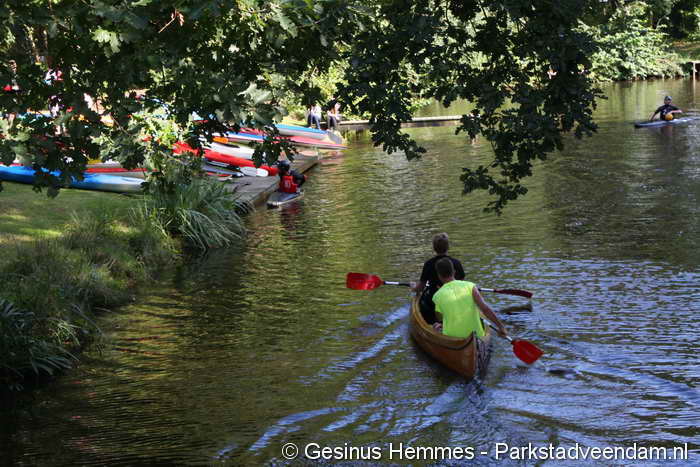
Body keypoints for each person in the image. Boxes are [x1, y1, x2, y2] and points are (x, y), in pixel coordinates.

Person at [432, 257, 508, 339]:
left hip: (451, 337)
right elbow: (485, 309)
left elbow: (441, 318)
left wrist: (441, 325)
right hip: (476, 336)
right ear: (454, 272)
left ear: (439, 275)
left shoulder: (436, 296)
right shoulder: (470, 286)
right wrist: (501, 327)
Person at [410, 232, 465, 323]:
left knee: (424, 302)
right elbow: (461, 284)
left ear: (434, 248)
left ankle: (432, 322)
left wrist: (413, 288)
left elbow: (421, 287)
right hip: (454, 299)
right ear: (448, 247)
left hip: (433, 300)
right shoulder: (456, 262)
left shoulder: (429, 264)